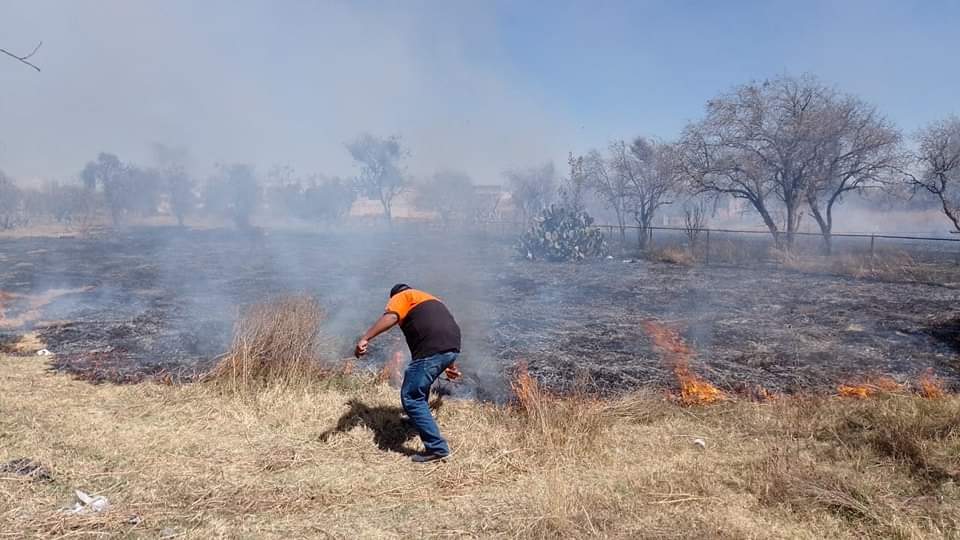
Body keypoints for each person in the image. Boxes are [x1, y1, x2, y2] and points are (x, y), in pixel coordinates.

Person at [355, 284, 462, 463]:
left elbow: (391, 316)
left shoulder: (403, 296)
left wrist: (366, 337)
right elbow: (441, 331)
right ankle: (417, 421)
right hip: (452, 345)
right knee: (420, 388)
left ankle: (437, 449)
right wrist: (450, 365)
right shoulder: (432, 299)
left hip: (432, 349)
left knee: (411, 396)